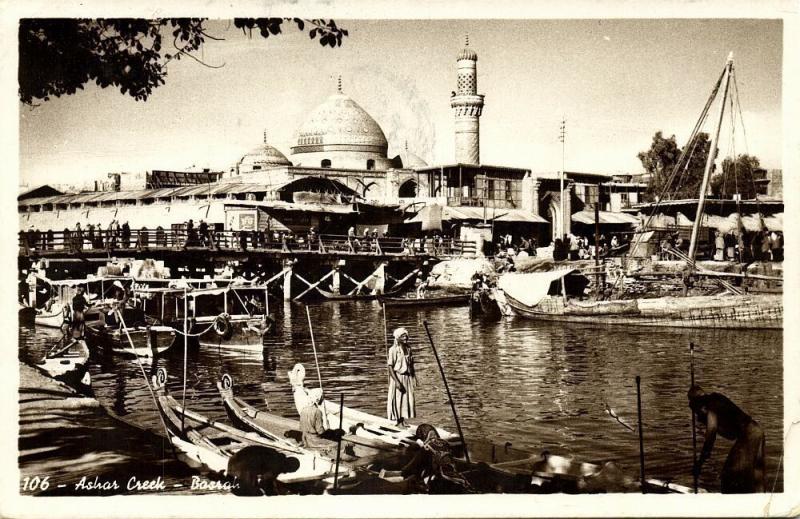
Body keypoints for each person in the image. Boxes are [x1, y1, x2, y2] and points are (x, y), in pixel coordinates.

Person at [688, 385, 765, 493]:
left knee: (728, 475)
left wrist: (700, 463)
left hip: (748, 434)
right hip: (757, 430)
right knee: (757, 474)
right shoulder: (717, 399)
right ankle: (762, 501)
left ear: (699, 404)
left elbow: (711, 434)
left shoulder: (711, 404)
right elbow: (731, 435)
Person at [387, 327, 416, 426]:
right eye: (403, 336)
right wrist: (397, 382)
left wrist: (414, 377)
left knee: (406, 399)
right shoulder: (393, 350)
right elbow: (390, 367)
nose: (405, 338)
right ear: (398, 338)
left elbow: (411, 364)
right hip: (398, 377)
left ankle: (403, 420)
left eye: (406, 336)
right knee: (398, 398)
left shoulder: (408, 348)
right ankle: (398, 422)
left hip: (407, 377)